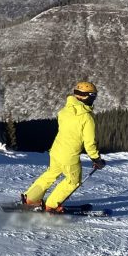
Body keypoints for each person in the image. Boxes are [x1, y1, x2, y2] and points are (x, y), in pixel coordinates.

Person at [22, 81, 105, 213]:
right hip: (69, 155)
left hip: (56, 150)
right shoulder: (86, 118)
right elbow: (89, 143)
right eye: (93, 96)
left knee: (50, 174)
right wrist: (96, 159)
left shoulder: (64, 111)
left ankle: (31, 199)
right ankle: (52, 205)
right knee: (73, 181)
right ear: (88, 97)